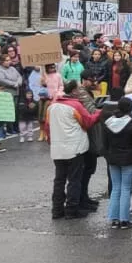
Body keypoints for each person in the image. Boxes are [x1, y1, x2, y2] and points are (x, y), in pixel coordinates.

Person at [49, 80, 102, 220]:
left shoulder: (52, 106)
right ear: (73, 91)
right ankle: (72, 210)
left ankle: (57, 209)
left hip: (57, 149)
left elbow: (48, 128)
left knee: (59, 180)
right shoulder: (75, 105)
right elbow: (88, 122)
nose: (80, 91)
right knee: (74, 179)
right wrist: (98, 113)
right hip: (75, 148)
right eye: (78, 89)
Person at [101, 97, 132, 229]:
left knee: (116, 188)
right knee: (125, 188)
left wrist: (108, 156)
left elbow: (104, 144)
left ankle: (114, 218)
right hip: (128, 159)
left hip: (112, 159)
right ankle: (124, 219)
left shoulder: (108, 122)